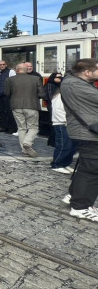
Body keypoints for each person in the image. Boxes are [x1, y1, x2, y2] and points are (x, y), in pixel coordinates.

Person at [60, 58, 98, 221]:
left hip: (86, 130)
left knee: (86, 166)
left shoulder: (74, 82)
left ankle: (74, 196)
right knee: (92, 169)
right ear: (87, 72)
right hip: (88, 131)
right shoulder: (75, 85)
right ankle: (80, 206)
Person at [5, 63, 45, 157]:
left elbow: (7, 93)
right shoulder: (36, 79)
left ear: (17, 70)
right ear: (27, 70)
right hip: (32, 105)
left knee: (21, 128)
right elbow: (42, 94)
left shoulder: (9, 79)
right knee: (33, 127)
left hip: (16, 106)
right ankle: (27, 143)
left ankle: (24, 150)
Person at [48, 74, 77, 173]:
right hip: (61, 123)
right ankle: (57, 164)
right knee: (63, 145)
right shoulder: (59, 96)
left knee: (71, 146)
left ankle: (65, 163)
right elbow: (58, 111)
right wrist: (66, 121)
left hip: (68, 123)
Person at [0, 60, 17, 133]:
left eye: (3, 64)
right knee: (1, 111)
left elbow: (13, 83)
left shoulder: (11, 72)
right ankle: (4, 126)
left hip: (7, 95)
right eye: (0, 64)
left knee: (9, 111)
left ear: (6, 65)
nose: (2, 66)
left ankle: (12, 128)